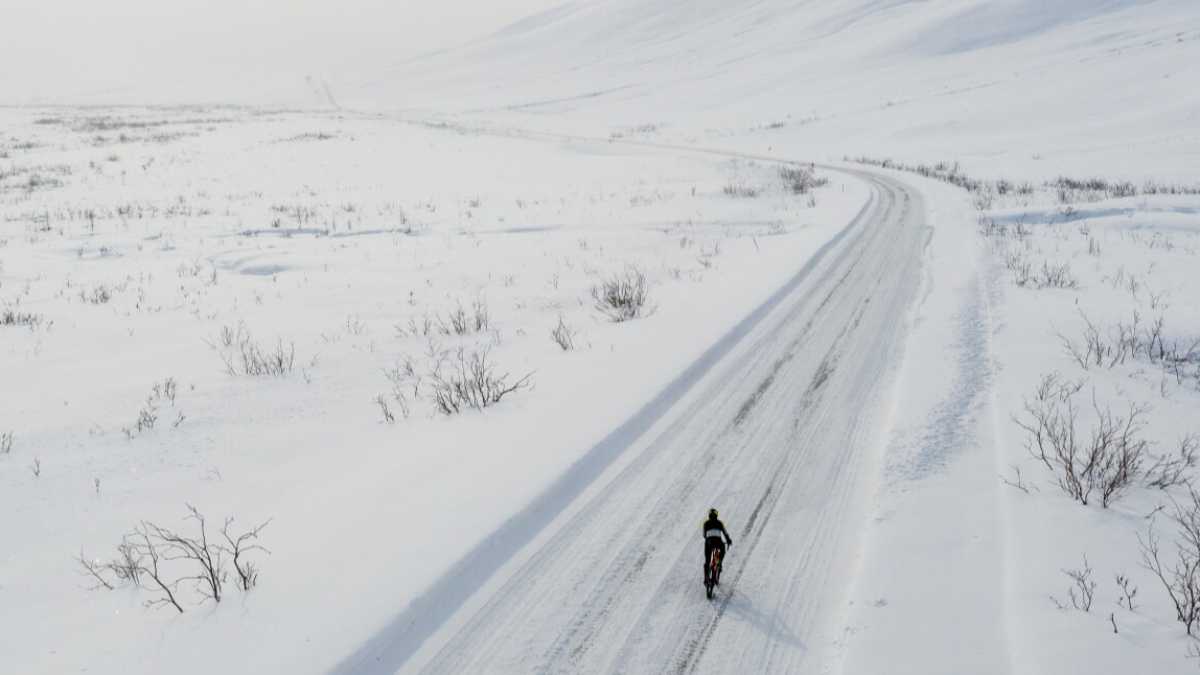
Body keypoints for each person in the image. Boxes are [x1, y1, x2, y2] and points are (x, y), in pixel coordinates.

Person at [703, 508, 732, 586]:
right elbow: (725, 533)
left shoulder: (705, 523)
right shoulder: (720, 523)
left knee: (707, 560)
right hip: (718, 542)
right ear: (716, 515)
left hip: (708, 543)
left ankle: (706, 578)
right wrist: (728, 540)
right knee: (721, 553)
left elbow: (704, 535)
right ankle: (719, 564)